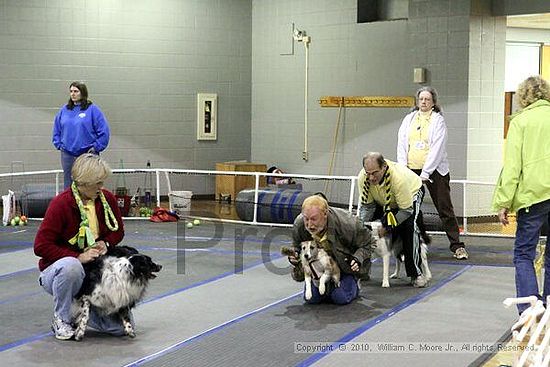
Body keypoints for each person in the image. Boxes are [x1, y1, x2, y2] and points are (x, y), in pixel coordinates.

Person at [34, 153, 125, 340]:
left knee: (119, 329)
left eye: (103, 182)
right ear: (84, 183)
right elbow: (41, 246)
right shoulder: (61, 203)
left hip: (92, 272)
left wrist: (106, 244)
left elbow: (118, 232)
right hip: (59, 272)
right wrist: (77, 257)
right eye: (98, 183)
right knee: (71, 267)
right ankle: (61, 318)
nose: (102, 187)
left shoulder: (107, 199)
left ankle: (80, 312)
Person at [492, 75, 550, 314]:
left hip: (533, 197)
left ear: (523, 96)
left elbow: (513, 166)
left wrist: (503, 202)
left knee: (524, 253)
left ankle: (528, 308)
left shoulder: (521, 122)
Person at [397, 86, 468, 260]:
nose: (424, 102)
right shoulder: (409, 119)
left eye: (427, 99)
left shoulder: (438, 121)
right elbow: (402, 144)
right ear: (417, 101)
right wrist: (403, 169)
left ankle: (457, 246)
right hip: (411, 170)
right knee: (409, 209)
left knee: (445, 208)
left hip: (435, 172)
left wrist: (426, 173)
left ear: (433, 102)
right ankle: (411, 245)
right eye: (421, 99)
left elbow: (437, 148)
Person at [287, 194, 375, 305]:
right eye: (306, 219)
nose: (309, 224)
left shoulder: (349, 224)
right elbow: (296, 248)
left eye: (314, 219)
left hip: (344, 267)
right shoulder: (299, 225)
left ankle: (353, 285)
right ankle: (328, 288)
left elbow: (370, 242)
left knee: (340, 298)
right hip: (318, 269)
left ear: (325, 214)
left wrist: (357, 258)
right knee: (312, 299)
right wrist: (294, 258)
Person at [358, 152, 428, 287]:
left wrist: (388, 226)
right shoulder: (363, 178)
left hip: (410, 196)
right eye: (368, 173)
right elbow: (367, 207)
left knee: (409, 227)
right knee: (362, 231)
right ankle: (362, 270)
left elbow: (406, 211)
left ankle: (416, 274)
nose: (371, 177)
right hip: (384, 200)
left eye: (375, 173)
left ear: (384, 167)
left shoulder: (398, 179)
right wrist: (360, 227)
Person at [52, 81, 111, 189]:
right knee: (69, 184)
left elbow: (103, 132)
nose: (73, 94)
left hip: (88, 153)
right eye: (71, 91)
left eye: (76, 91)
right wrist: (59, 145)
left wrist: (96, 148)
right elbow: (56, 130)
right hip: (68, 154)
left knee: (90, 182)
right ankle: (71, 205)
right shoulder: (64, 111)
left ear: (82, 93)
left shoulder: (93, 110)